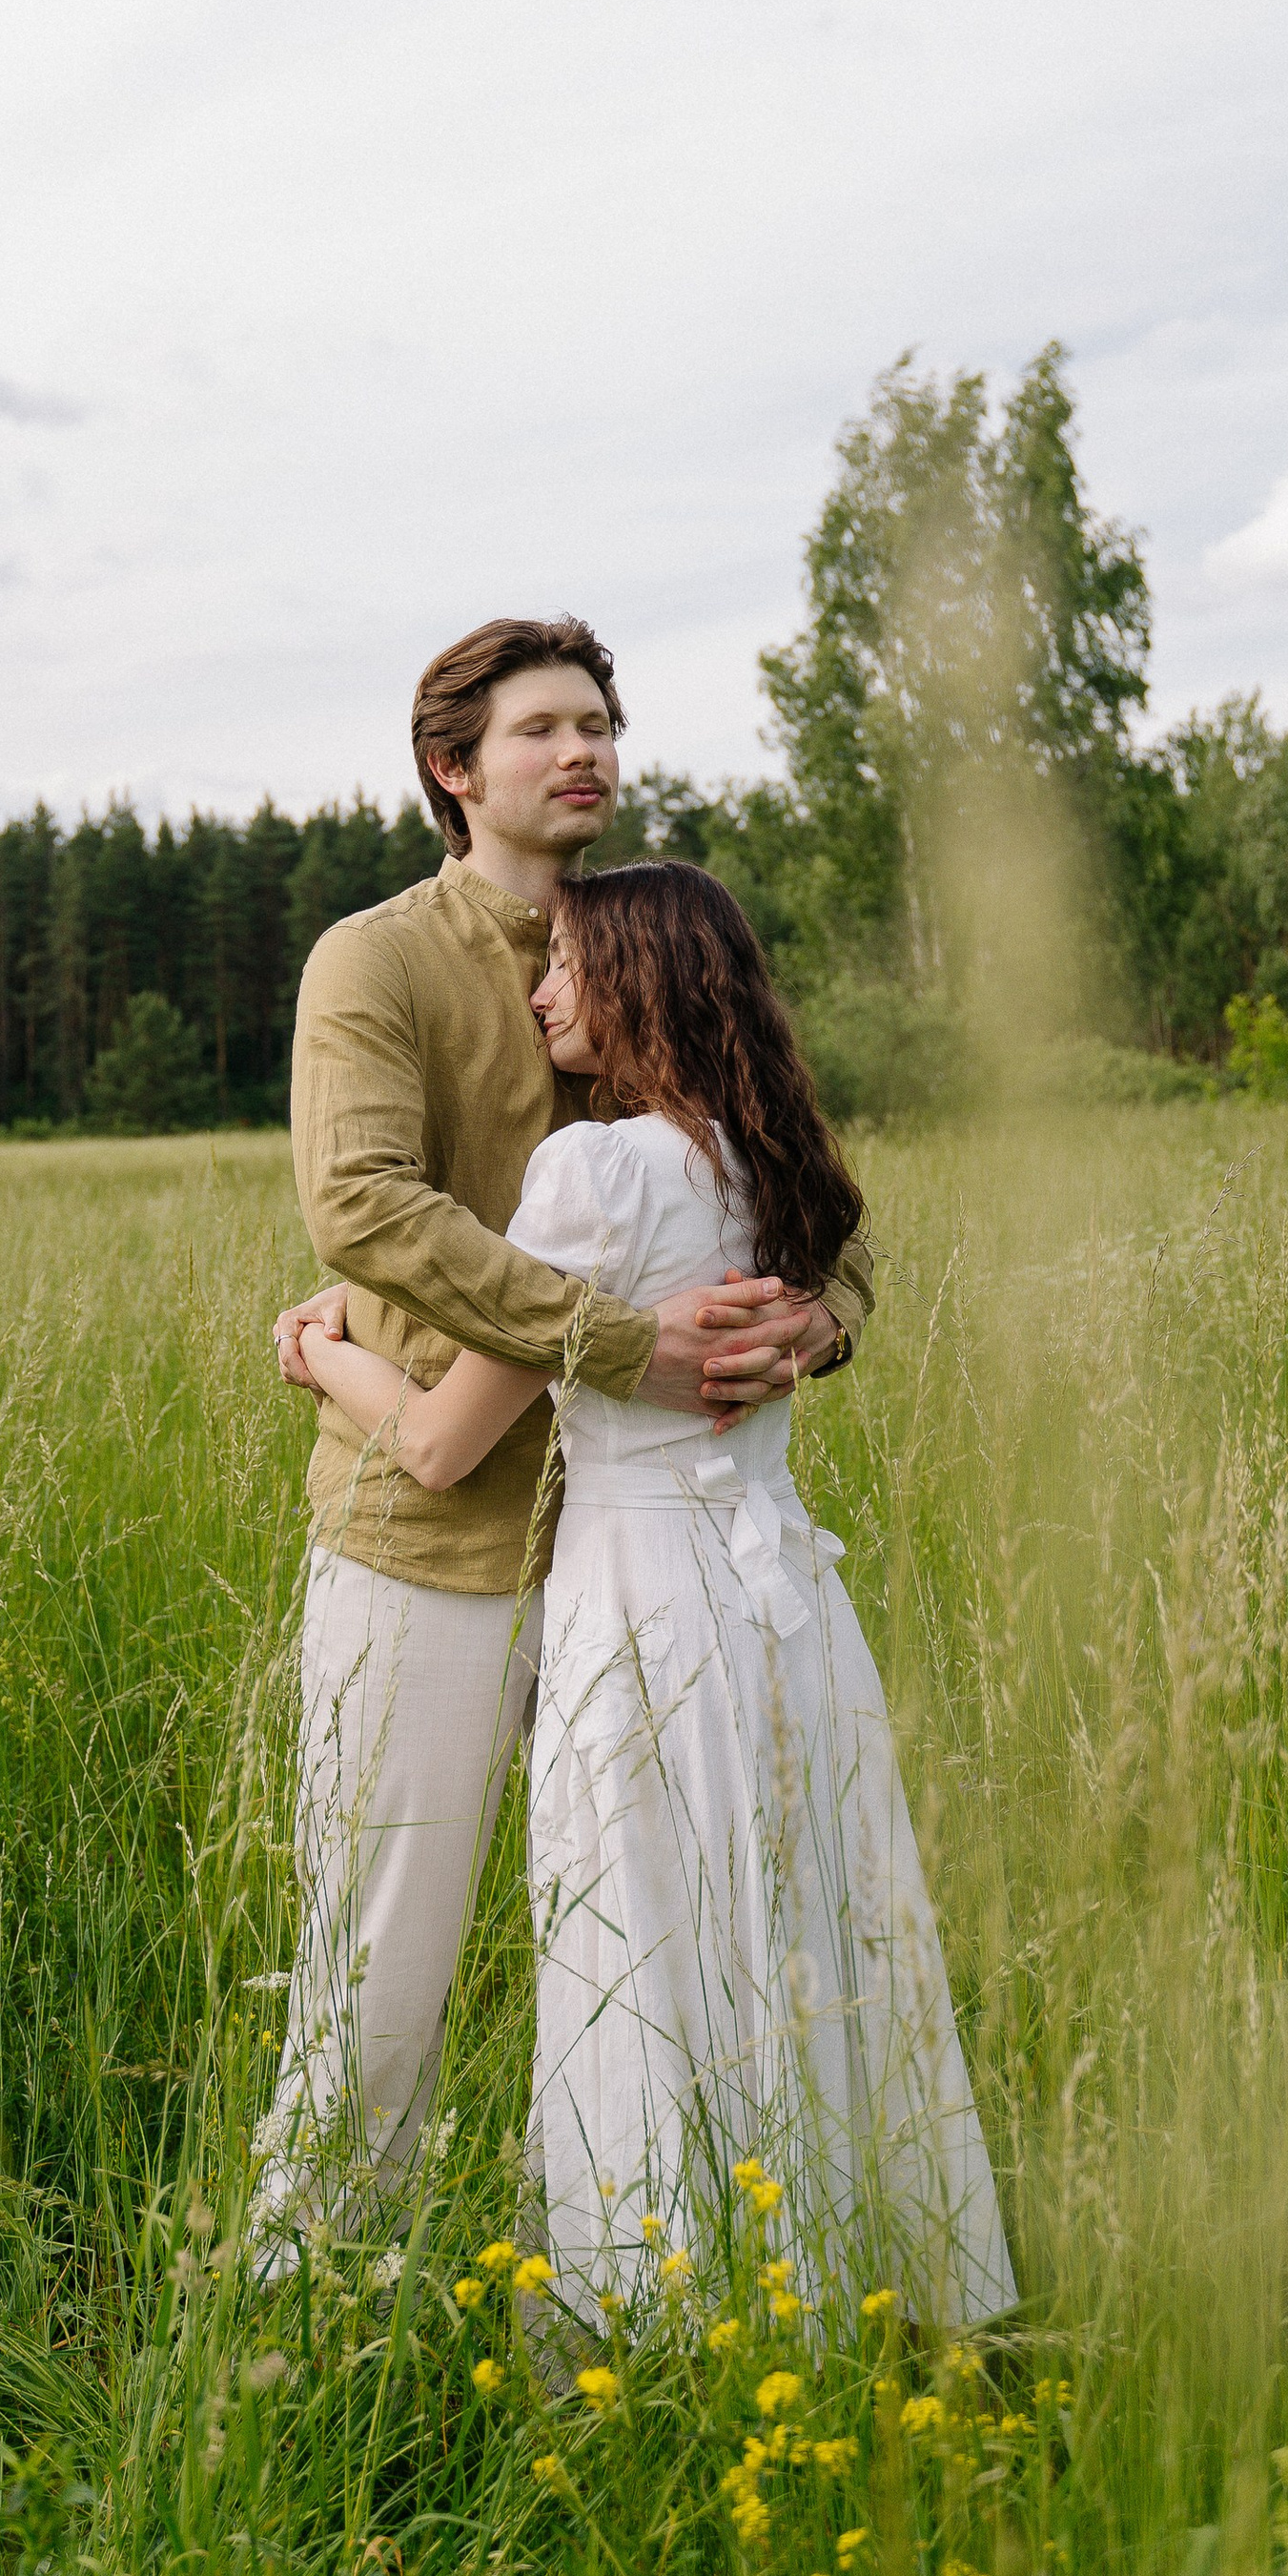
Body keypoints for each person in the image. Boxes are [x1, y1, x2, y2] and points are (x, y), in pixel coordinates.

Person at [298, 860, 1012, 2330]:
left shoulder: (594, 1176)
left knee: (632, 1949)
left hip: (642, 1612)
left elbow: (440, 1447)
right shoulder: (772, 1164)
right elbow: (821, 1321)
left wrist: (321, 1356)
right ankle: (839, 2273)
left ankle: (650, 2312)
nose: (540, 993)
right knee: (793, 1937)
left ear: (637, 987)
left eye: (563, 967)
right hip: (784, 1610)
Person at [254, 616, 874, 2240]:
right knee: (387, 1945)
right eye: (541, 728)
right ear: (455, 771)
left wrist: (819, 1316)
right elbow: (361, 1205)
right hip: (435, 1534)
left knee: (655, 1938)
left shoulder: (654, 942)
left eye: (599, 720)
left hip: (649, 1565)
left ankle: (650, 2257)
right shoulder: (374, 962)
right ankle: (309, 2283)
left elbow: (779, 1166)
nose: (584, 748)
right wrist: (614, 1342)